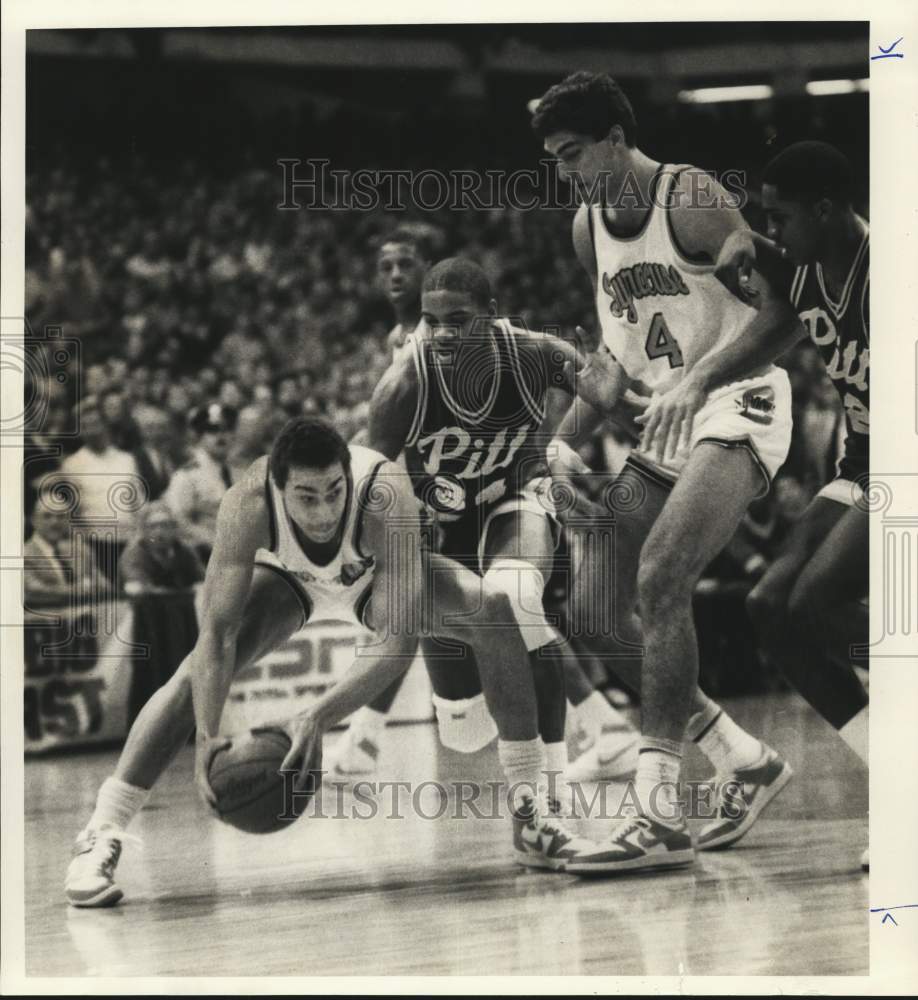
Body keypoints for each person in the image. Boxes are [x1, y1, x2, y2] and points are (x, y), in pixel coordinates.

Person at [65, 418, 596, 908]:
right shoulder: (247, 502)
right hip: (288, 583)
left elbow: (395, 644)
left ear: (349, 474)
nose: (322, 512)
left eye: (334, 492)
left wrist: (315, 715)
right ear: (278, 486)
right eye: (306, 497)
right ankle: (101, 833)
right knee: (190, 677)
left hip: (372, 577)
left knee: (495, 611)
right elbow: (218, 637)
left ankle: (531, 814)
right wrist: (206, 735)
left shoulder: (386, 492)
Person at [529, 71, 797, 874]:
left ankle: (657, 813)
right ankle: (743, 757)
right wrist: (562, 445)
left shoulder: (691, 197)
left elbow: (782, 316)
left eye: (573, 152)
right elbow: (616, 356)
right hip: (668, 419)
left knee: (660, 576)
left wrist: (699, 383)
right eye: (554, 158)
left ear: (617, 137)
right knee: (594, 607)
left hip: (740, 400)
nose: (565, 170)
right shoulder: (587, 228)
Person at [367, 256, 636, 823]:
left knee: (517, 598)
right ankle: (558, 731)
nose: (442, 333)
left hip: (514, 501)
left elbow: (614, 401)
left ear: (491, 315)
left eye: (458, 319)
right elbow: (371, 484)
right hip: (440, 530)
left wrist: (613, 397)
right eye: (431, 320)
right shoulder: (403, 382)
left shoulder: (537, 353)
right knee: (463, 731)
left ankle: (553, 788)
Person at [706, 141, 869, 869]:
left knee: (818, 602)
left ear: (829, 211)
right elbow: (770, 323)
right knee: (772, 607)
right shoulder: (804, 268)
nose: (774, 229)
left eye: (782, 217)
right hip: (865, 464)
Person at [57, 405, 143, 585]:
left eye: (96, 423)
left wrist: (139, 538)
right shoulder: (73, 464)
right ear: (80, 431)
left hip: (129, 540)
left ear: (106, 426)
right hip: (95, 543)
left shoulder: (127, 459)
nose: (93, 430)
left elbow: (138, 502)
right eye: (86, 425)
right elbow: (73, 514)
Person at [165, 403, 237, 563]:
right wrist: (213, 542)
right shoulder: (187, 474)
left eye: (226, 430)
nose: (220, 437)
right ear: (199, 436)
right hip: (202, 555)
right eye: (212, 431)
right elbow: (179, 520)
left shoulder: (237, 471)